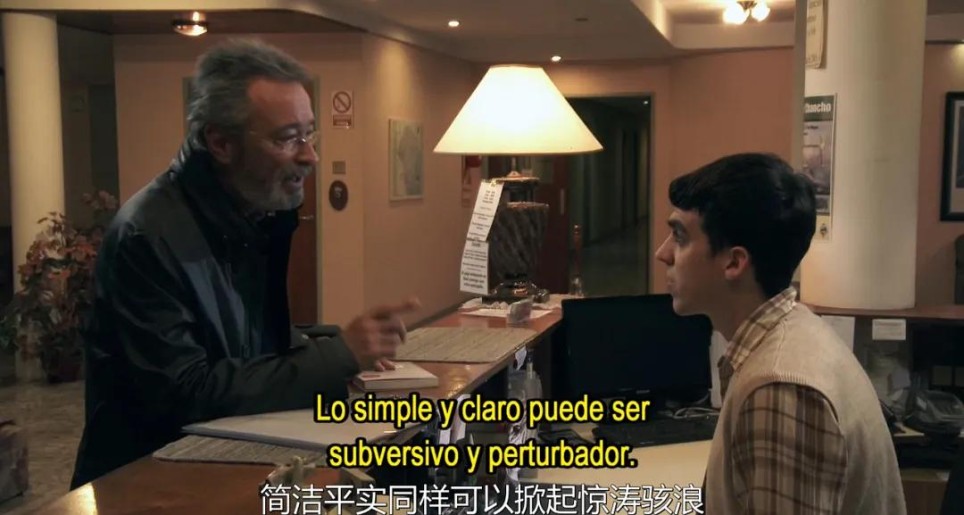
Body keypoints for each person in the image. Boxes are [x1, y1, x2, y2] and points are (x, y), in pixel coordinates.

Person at [70, 39, 419, 488]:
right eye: (287, 138)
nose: (310, 156)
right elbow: (184, 392)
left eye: (309, 134)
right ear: (221, 143)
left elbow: (244, 342)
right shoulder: (147, 236)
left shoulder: (252, 214)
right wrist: (338, 356)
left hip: (222, 465)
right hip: (148, 484)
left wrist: (335, 346)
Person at [655, 153, 905, 514]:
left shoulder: (779, 388)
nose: (662, 253)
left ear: (734, 262)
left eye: (679, 236)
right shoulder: (794, 333)